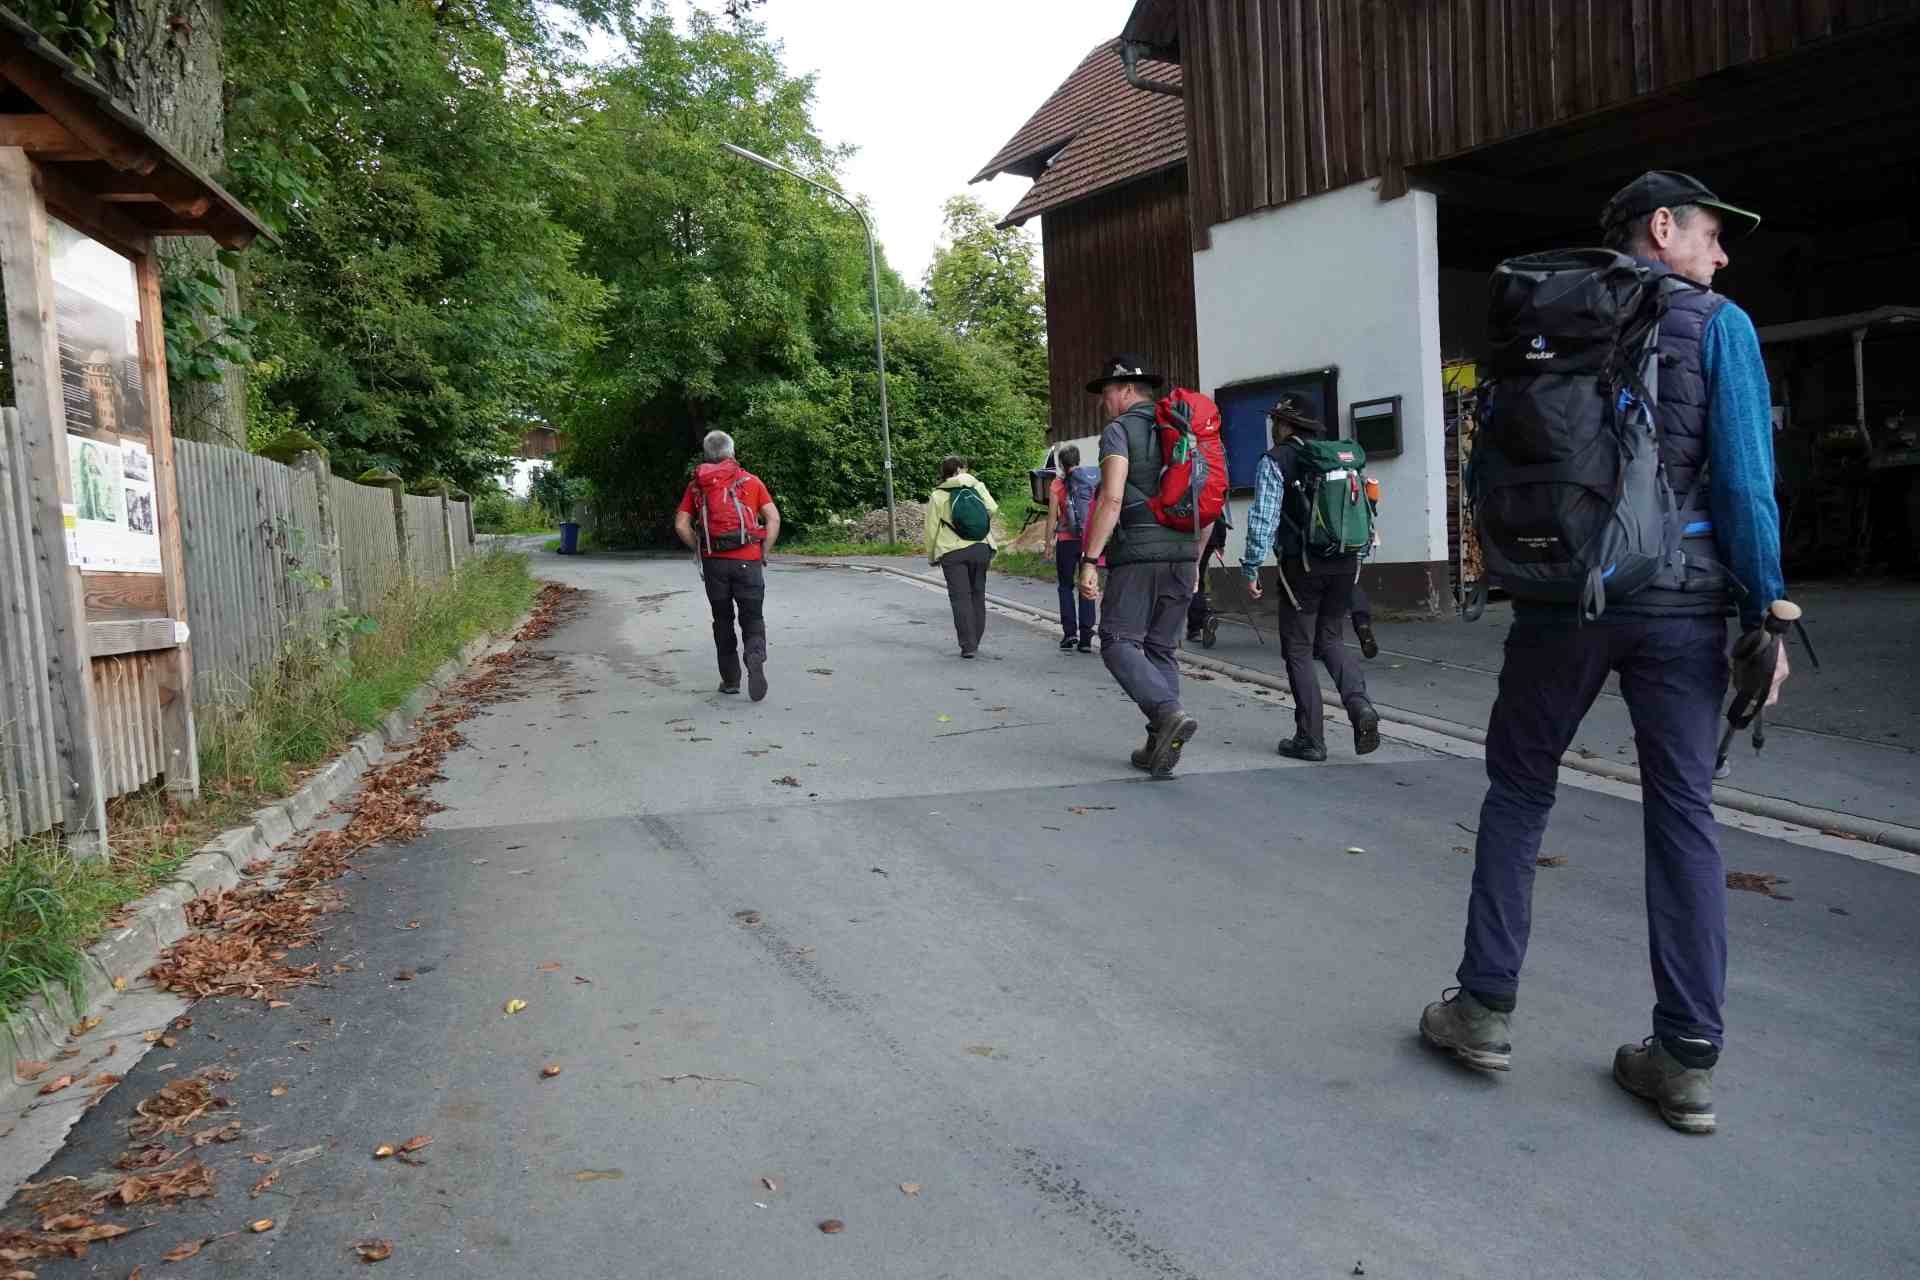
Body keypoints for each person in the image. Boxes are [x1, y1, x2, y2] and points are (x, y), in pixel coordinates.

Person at [1418, 172, 1788, 1136]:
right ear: (1663, 229)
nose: (1723, 254)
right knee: (1682, 815)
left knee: (1519, 789)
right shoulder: (1718, 324)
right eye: (1714, 232)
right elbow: (1747, 485)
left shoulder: (1549, 314)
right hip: (1682, 605)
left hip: (1560, 598)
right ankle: (1685, 1058)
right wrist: (1768, 616)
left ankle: (1483, 1011)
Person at [1076, 353, 1202, 778]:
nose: (1102, 402)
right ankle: (1158, 745)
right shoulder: (1184, 427)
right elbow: (1209, 499)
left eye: (1106, 392)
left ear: (1127, 389)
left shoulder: (1119, 430)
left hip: (1140, 555)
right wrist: (1196, 558)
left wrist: (1090, 559)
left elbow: (1111, 498)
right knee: (1161, 648)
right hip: (1183, 553)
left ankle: (1167, 715)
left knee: (1116, 641)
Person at [1241, 397, 1380, 761]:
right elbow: (1365, 511)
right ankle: (1360, 706)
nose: (1273, 426)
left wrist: (1252, 566)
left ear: (1286, 425)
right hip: (1346, 563)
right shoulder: (1340, 458)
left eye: (1276, 420)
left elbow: (1263, 519)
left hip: (1302, 566)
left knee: (1299, 648)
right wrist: (1358, 559)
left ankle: (1311, 739)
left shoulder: (1276, 460)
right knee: (1332, 638)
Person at [673, 430, 780, 701]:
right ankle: (754, 655)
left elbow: (681, 524)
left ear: (707, 455)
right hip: (749, 560)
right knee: (752, 616)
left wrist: (699, 548)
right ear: (732, 452)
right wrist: (763, 551)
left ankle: (731, 680)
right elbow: (773, 519)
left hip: (714, 564)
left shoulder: (697, 485)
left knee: (723, 620)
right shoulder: (751, 481)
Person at [925, 456, 998, 658]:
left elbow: (931, 530)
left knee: (960, 599)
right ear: (961, 469)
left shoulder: (938, 495)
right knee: (977, 595)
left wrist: (932, 555)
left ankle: (968, 645)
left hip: (952, 552)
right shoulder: (977, 486)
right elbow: (992, 508)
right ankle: (976, 639)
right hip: (980, 547)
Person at [1047, 445, 1098, 653]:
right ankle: (1086, 637)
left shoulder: (1057, 485)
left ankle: (1070, 634)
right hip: (1088, 540)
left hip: (1066, 541)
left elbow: (1052, 517)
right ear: (1078, 460)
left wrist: (1048, 544)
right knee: (1087, 585)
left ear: (1061, 463)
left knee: (1065, 586)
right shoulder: (1091, 480)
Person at [1185, 517, 1230, 645]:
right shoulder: (1208, 495)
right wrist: (1221, 543)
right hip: (1211, 537)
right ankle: (1202, 618)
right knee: (1198, 582)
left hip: (1188, 536)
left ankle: (1196, 625)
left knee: (1191, 582)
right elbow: (1218, 513)